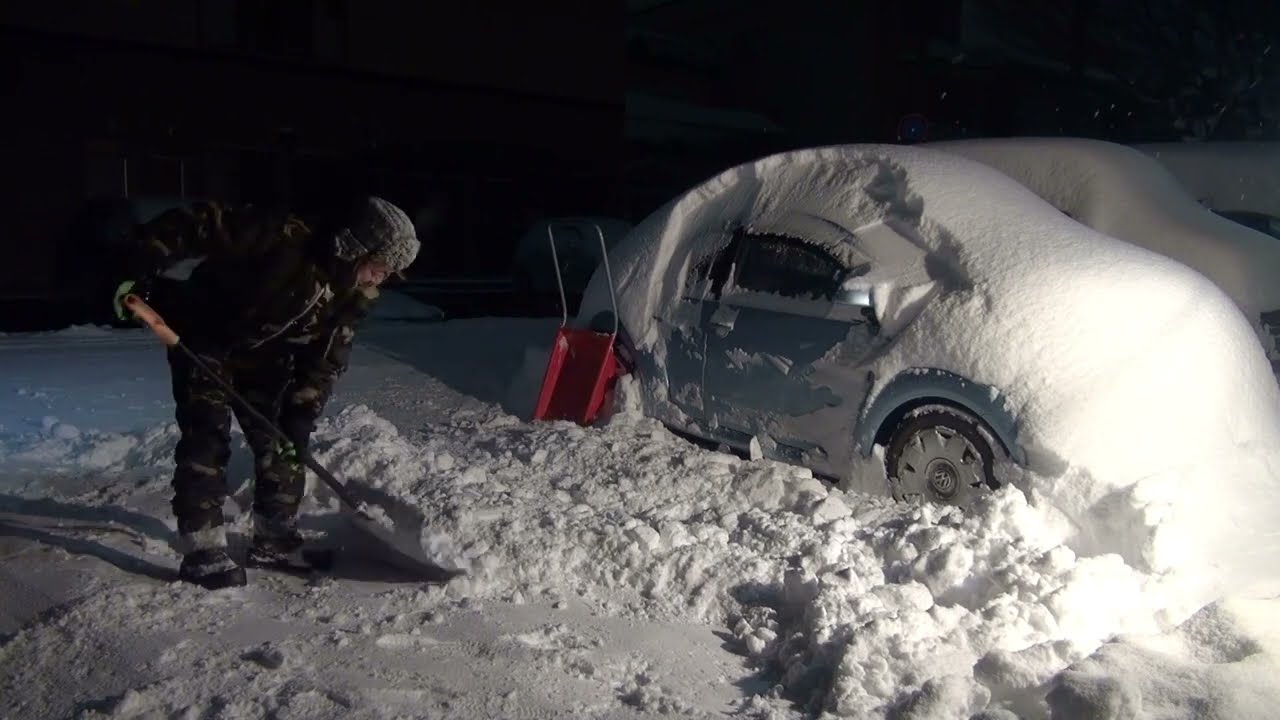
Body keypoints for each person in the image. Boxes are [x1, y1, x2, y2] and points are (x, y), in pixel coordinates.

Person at [113, 196, 420, 590]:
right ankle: (204, 549)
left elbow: (326, 357)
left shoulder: (355, 292)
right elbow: (202, 222)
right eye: (379, 266)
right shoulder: (284, 238)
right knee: (207, 438)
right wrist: (138, 265)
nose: (380, 278)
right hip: (207, 339)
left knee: (284, 442)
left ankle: (275, 539)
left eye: (388, 273)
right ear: (355, 247)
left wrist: (302, 412)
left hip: (267, 356)